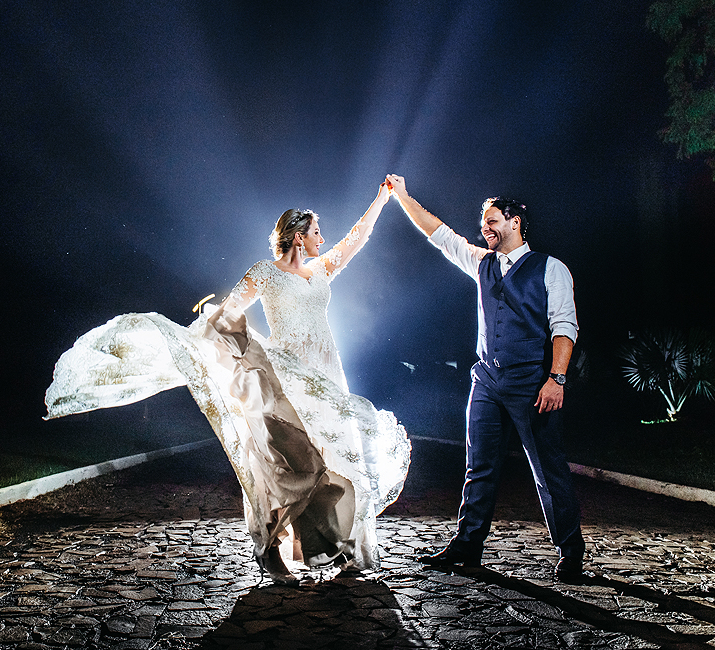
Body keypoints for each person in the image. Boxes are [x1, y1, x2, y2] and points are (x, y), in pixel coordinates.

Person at [43, 183, 411, 585]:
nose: (323, 240)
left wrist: (382, 198)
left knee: (336, 456)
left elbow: (357, 237)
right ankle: (270, 549)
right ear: (298, 236)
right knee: (288, 465)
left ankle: (345, 547)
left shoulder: (321, 270)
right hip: (285, 377)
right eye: (317, 233)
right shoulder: (265, 273)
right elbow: (228, 312)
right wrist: (226, 345)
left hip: (325, 376)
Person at [385, 173, 585, 583]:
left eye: (492, 221)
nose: (485, 229)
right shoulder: (481, 263)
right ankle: (467, 546)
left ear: (514, 222)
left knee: (548, 469)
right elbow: (439, 234)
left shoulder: (551, 269)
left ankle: (570, 551)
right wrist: (402, 196)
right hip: (487, 381)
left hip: (532, 384)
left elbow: (564, 327)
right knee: (478, 467)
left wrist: (557, 378)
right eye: (483, 224)